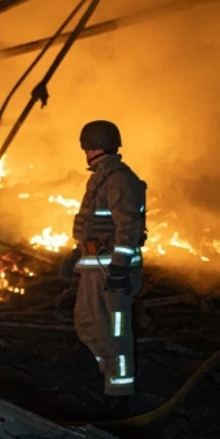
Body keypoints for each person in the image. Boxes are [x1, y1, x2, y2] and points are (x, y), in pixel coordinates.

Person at [60, 120, 147, 418]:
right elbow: (92, 227)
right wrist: (75, 255)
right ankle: (109, 371)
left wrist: (121, 268)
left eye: (86, 147)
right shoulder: (101, 178)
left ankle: (119, 394)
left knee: (114, 332)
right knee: (87, 324)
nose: (84, 152)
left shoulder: (119, 179)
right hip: (94, 267)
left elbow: (128, 225)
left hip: (111, 271)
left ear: (93, 147)